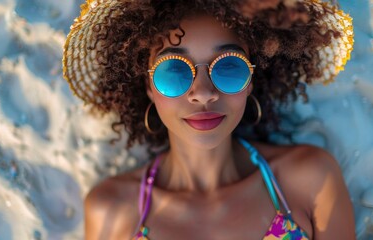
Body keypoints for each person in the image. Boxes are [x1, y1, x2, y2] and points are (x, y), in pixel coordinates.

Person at [63, 0, 356, 239]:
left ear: (251, 80)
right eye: (174, 71)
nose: (203, 94)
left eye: (229, 67)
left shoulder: (311, 179)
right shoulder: (112, 209)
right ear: (149, 87)